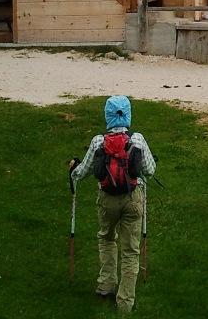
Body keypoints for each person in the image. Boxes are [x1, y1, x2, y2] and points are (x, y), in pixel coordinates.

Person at [69, 95, 156, 313]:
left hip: (107, 199)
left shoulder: (98, 141)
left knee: (107, 238)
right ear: (128, 114)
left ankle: (106, 285)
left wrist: (73, 169)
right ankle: (125, 303)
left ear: (107, 115)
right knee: (130, 250)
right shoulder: (137, 140)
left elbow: (82, 172)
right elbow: (150, 170)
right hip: (133, 198)